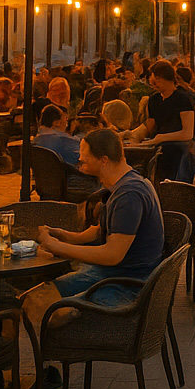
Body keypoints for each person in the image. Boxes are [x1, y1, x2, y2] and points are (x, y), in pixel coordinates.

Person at [32, 128, 165, 308]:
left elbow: (112, 255)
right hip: (115, 273)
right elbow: (101, 231)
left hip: (129, 284)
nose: (79, 159)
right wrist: (66, 236)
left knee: (43, 306)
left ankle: (64, 334)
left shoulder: (129, 195)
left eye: (85, 156)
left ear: (103, 160)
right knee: (36, 297)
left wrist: (57, 246)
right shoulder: (123, 183)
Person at [137, 60, 195, 182]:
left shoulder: (183, 99)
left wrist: (161, 137)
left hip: (179, 144)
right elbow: (150, 126)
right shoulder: (154, 100)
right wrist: (134, 136)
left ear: (166, 78)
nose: (153, 83)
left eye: (157, 79)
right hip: (159, 143)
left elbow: (188, 133)